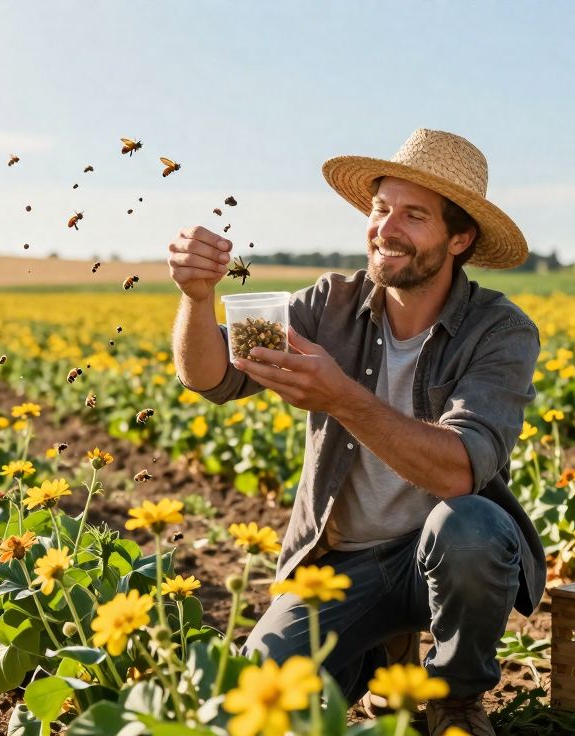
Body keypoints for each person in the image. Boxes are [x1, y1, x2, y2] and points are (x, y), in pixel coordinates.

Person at [167, 128, 543, 736]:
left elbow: (459, 470)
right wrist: (196, 295)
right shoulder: (330, 303)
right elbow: (212, 378)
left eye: (414, 215)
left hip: (445, 560)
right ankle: (379, 662)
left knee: (471, 526)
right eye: (380, 208)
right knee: (265, 702)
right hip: (339, 566)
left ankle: (453, 697)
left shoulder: (499, 331)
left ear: (459, 238)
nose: (386, 228)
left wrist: (342, 398)